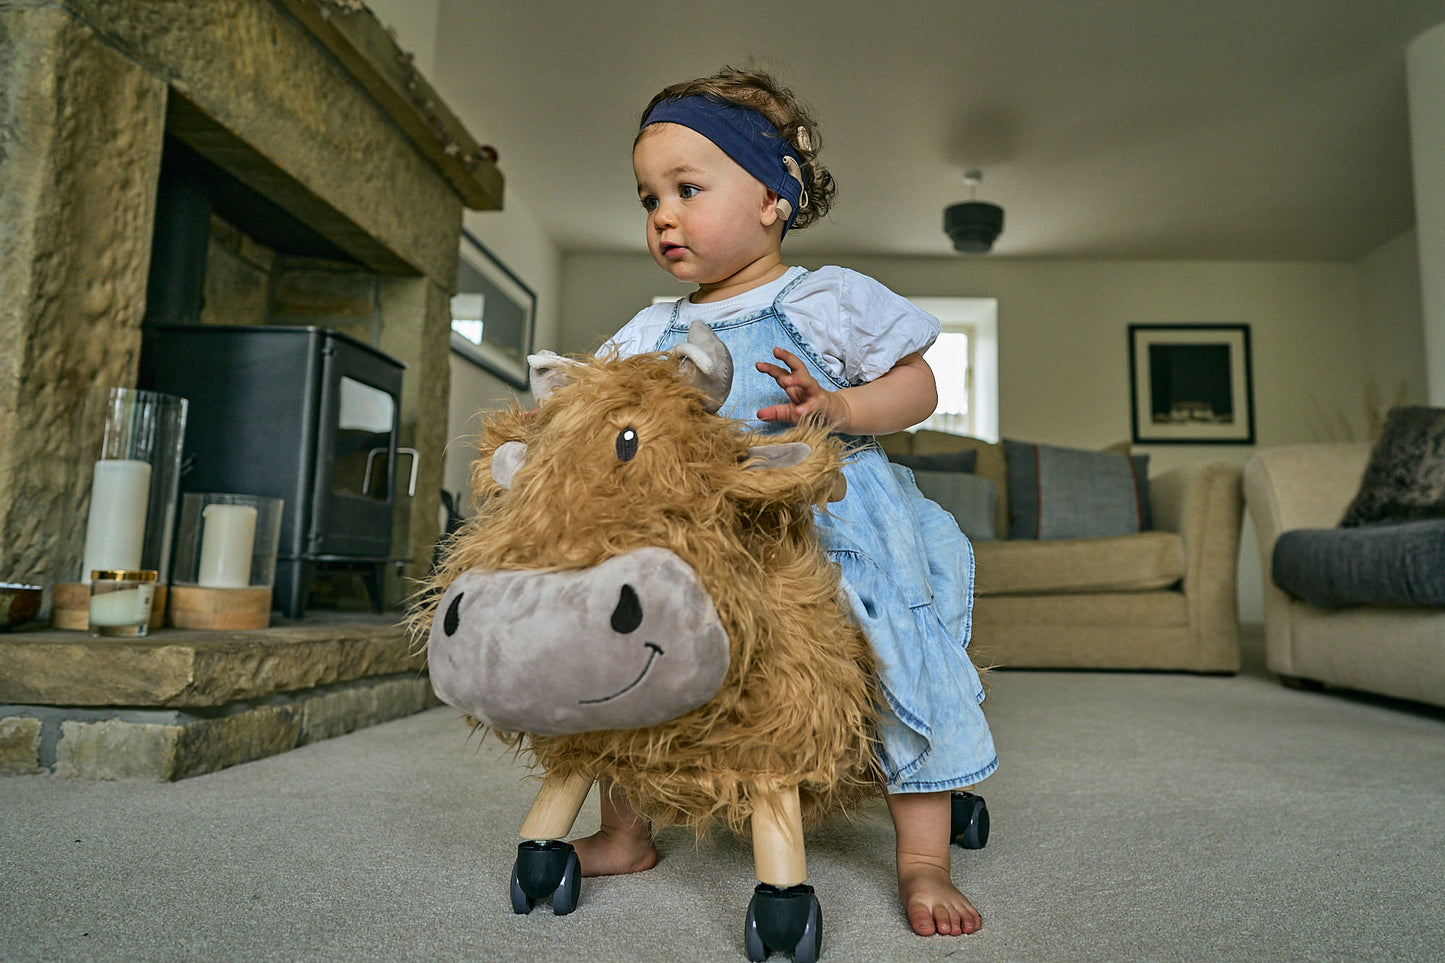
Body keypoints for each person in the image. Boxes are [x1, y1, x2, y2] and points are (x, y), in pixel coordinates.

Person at [576, 67, 998, 939]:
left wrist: (839, 408)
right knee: (621, 649)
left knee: (893, 655)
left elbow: (918, 383)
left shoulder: (824, 298)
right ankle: (625, 830)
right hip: (703, 537)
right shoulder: (647, 330)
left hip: (829, 526)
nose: (662, 214)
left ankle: (921, 857)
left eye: (688, 188)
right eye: (648, 196)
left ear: (772, 196)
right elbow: (601, 412)